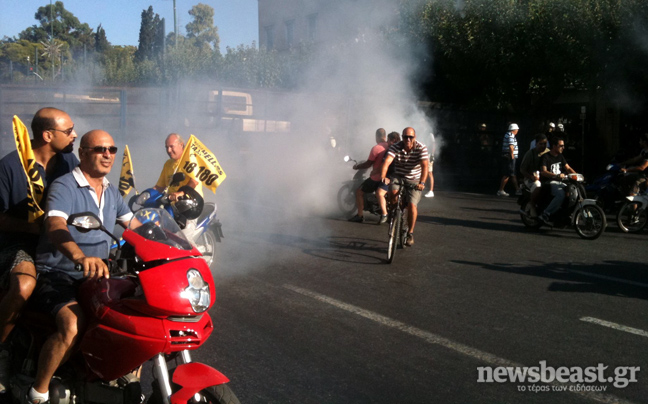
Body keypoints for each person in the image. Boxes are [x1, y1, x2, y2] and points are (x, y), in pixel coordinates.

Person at [26, 130, 133, 404]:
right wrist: (78, 257)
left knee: (132, 319)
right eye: (100, 149)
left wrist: (177, 249)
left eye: (112, 149)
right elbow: (55, 225)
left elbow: (135, 227)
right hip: (58, 273)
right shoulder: (65, 186)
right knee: (72, 324)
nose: (108, 154)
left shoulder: (112, 192)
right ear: (83, 153)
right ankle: (38, 392)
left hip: (97, 277)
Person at [0, 108, 79, 392]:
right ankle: (2, 349)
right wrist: (37, 229)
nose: (75, 135)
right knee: (23, 285)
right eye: (69, 131)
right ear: (48, 135)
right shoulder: (9, 166)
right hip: (18, 243)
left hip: (57, 241)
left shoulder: (68, 161)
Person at [380, 127, 428, 247]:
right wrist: (383, 176)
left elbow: (425, 166)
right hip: (399, 176)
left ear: (414, 137)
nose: (408, 139)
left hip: (414, 179)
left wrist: (422, 183)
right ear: (402, 137)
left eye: (410, 137)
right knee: (393, 192)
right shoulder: (396, 146)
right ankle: (394, 213)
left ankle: (410, 233)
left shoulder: (421, 147)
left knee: (412, 205)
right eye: (405, 136)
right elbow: (387, 162)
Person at [154, 133, 203, 239]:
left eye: (171, 146)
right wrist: (146, 195)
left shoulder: (190, 159)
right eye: (167, 147)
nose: (169, 150)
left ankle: (196, 254)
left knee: (183, 239)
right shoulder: (168, 164)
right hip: (171, 206)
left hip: (190, 205)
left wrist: (181, 193)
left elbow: (194, 181)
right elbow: (159, 186)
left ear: (181, 145)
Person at [348, 128, 390, 224]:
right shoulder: (390, 146)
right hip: (388, 177)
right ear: (385, 136)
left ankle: (360, 215)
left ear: (377, 136)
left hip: (377, 177)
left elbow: (368, 164)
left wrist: (357, 167)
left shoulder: (376, 148)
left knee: (359, 191)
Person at [539, 137, 576, 225]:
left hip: (561, 181)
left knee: (572, 192)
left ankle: (567, 213)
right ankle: (545, 213)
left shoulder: (560, 156)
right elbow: (543, 172)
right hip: (550, 182)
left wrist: (576, 175)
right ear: (554, 146)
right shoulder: (545, 157)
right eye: (561, 146)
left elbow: (568, 168)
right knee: (561, 194)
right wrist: (556, 176)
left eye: (563, 146)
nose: (563, 148)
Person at [519, 134, 549, 217]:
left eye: (545, 144)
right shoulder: (530, 154)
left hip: (545, 178)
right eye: (541, 143)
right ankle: (532, 206)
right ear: (536, 144)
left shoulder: (548, 153)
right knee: (537, 185)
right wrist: (531, 177)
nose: (543, 146)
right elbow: (522, 169)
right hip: (531, 179)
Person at [497, 123, 521, 197]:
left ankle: (517, 189)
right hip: (510, 157)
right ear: (514, 130)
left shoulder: (508, 134)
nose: (517, 131)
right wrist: (512, 155)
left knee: (511, 173)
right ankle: (501, 190)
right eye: (517, 129)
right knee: (509, 173)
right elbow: (511, 146)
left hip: (509, 156)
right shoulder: (511, 135)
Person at [424, 132, 436, 198]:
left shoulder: (429, 134)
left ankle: (431, 191)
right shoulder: (422, 132)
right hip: (423, 154)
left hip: (428, 155)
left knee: (429, 172)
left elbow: (433, 144)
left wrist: (432, 154)